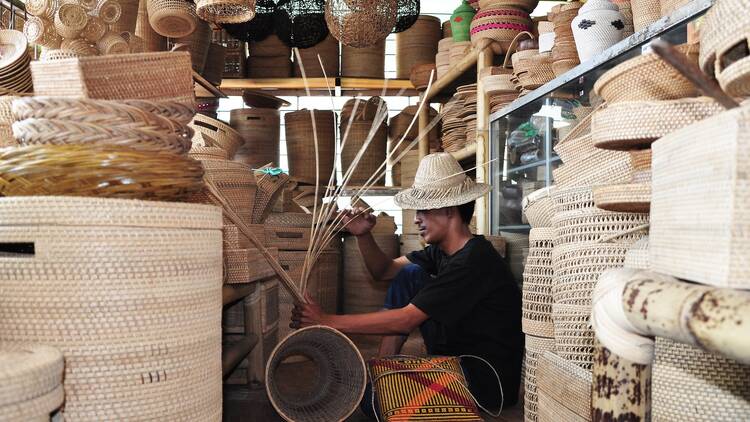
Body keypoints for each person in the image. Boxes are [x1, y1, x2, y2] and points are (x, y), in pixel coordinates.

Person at [291, 152, 524, 413]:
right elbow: (384, 270)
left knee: (372, 402)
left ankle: (387, 386)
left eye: (423, 210)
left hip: (486, 381)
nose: (416, 219)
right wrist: (364, 236)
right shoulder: (443, 252)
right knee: (408, 275)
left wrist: (327, 321)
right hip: (455, 359)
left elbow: (406, 320)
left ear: (449, 209)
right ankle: (383, 368)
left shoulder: (474, 261)